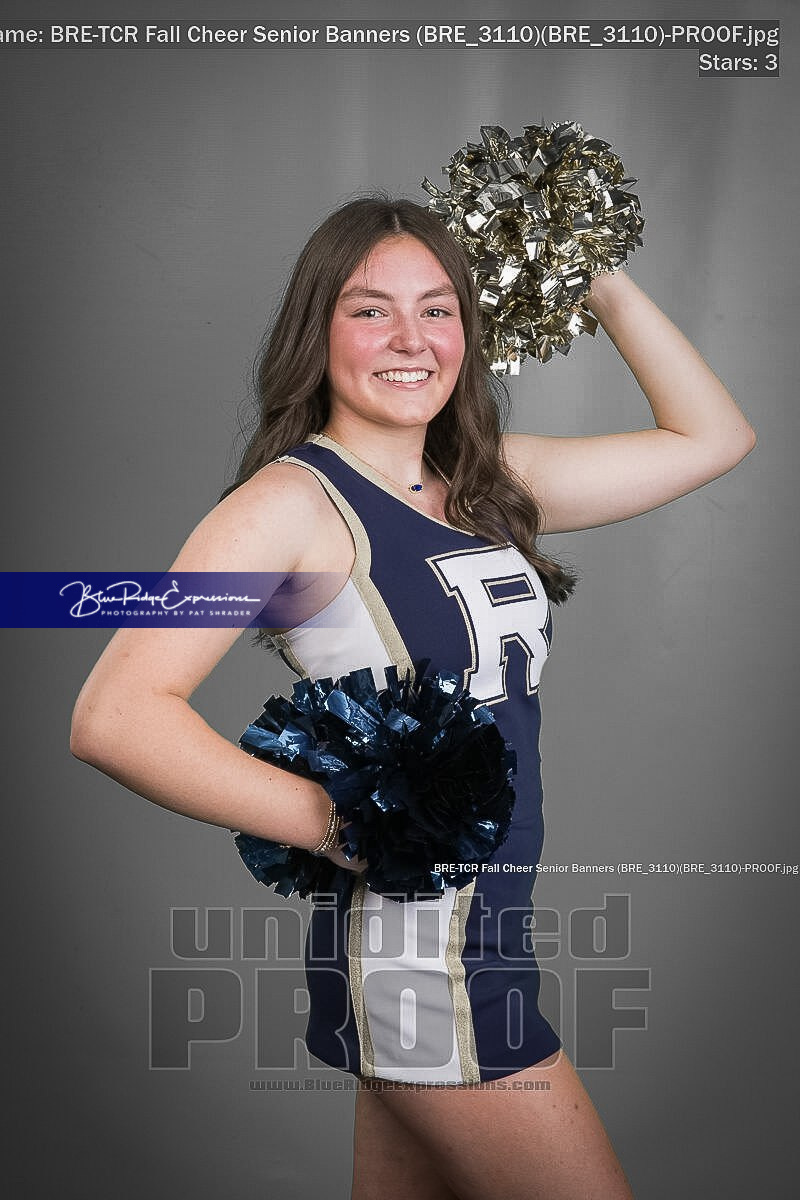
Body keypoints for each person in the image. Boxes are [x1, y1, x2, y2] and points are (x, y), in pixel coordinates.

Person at [70, 196, 755, 1199]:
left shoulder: (487, 483)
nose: (409, 339)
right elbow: (116, 715)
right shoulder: (287, 505)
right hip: (426, 953)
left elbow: (711, 436)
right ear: (316, 332)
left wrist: (586, 269)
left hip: (481, 933)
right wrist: (339, 822)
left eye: (438, 310)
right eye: (369, 310)